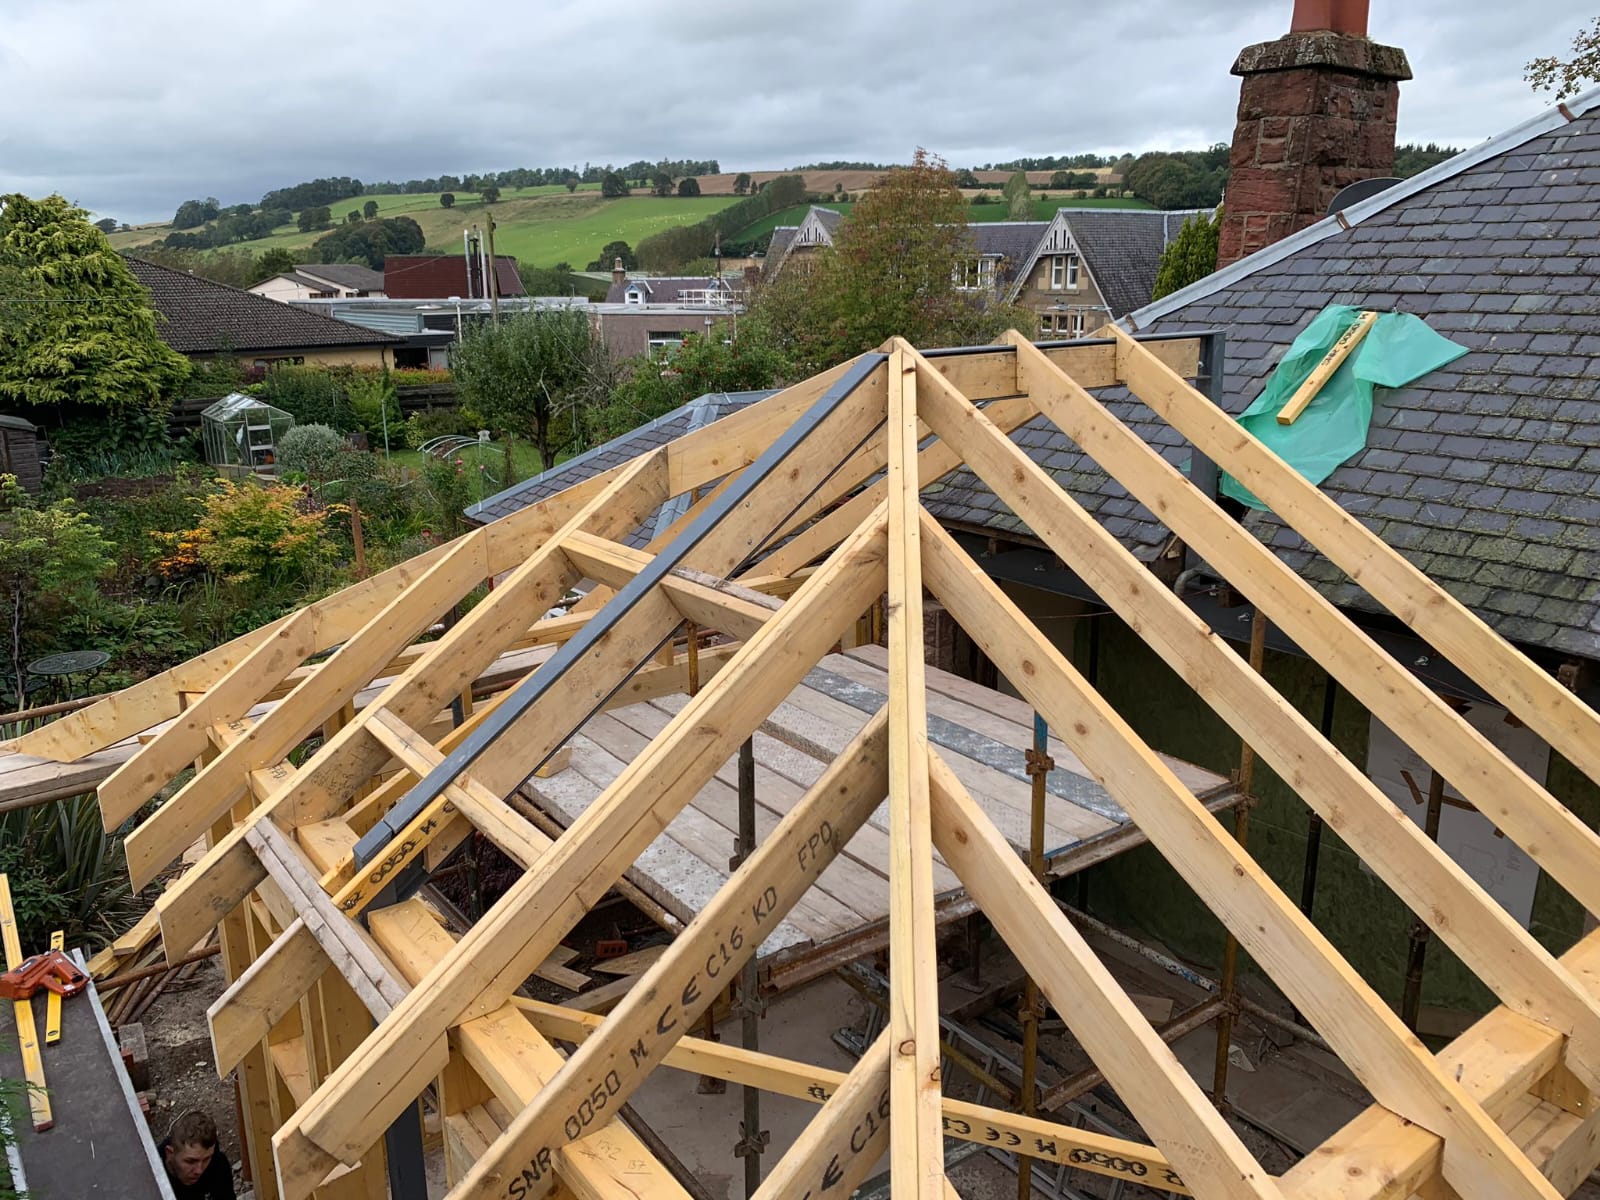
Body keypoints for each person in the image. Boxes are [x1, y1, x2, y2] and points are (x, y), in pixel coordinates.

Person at [159, 1110, 235, 1200]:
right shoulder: (152, 1181)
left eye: (206, 1159)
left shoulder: (218, 1164)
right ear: (169, 1153)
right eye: (190, 1161)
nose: (199, 1170)